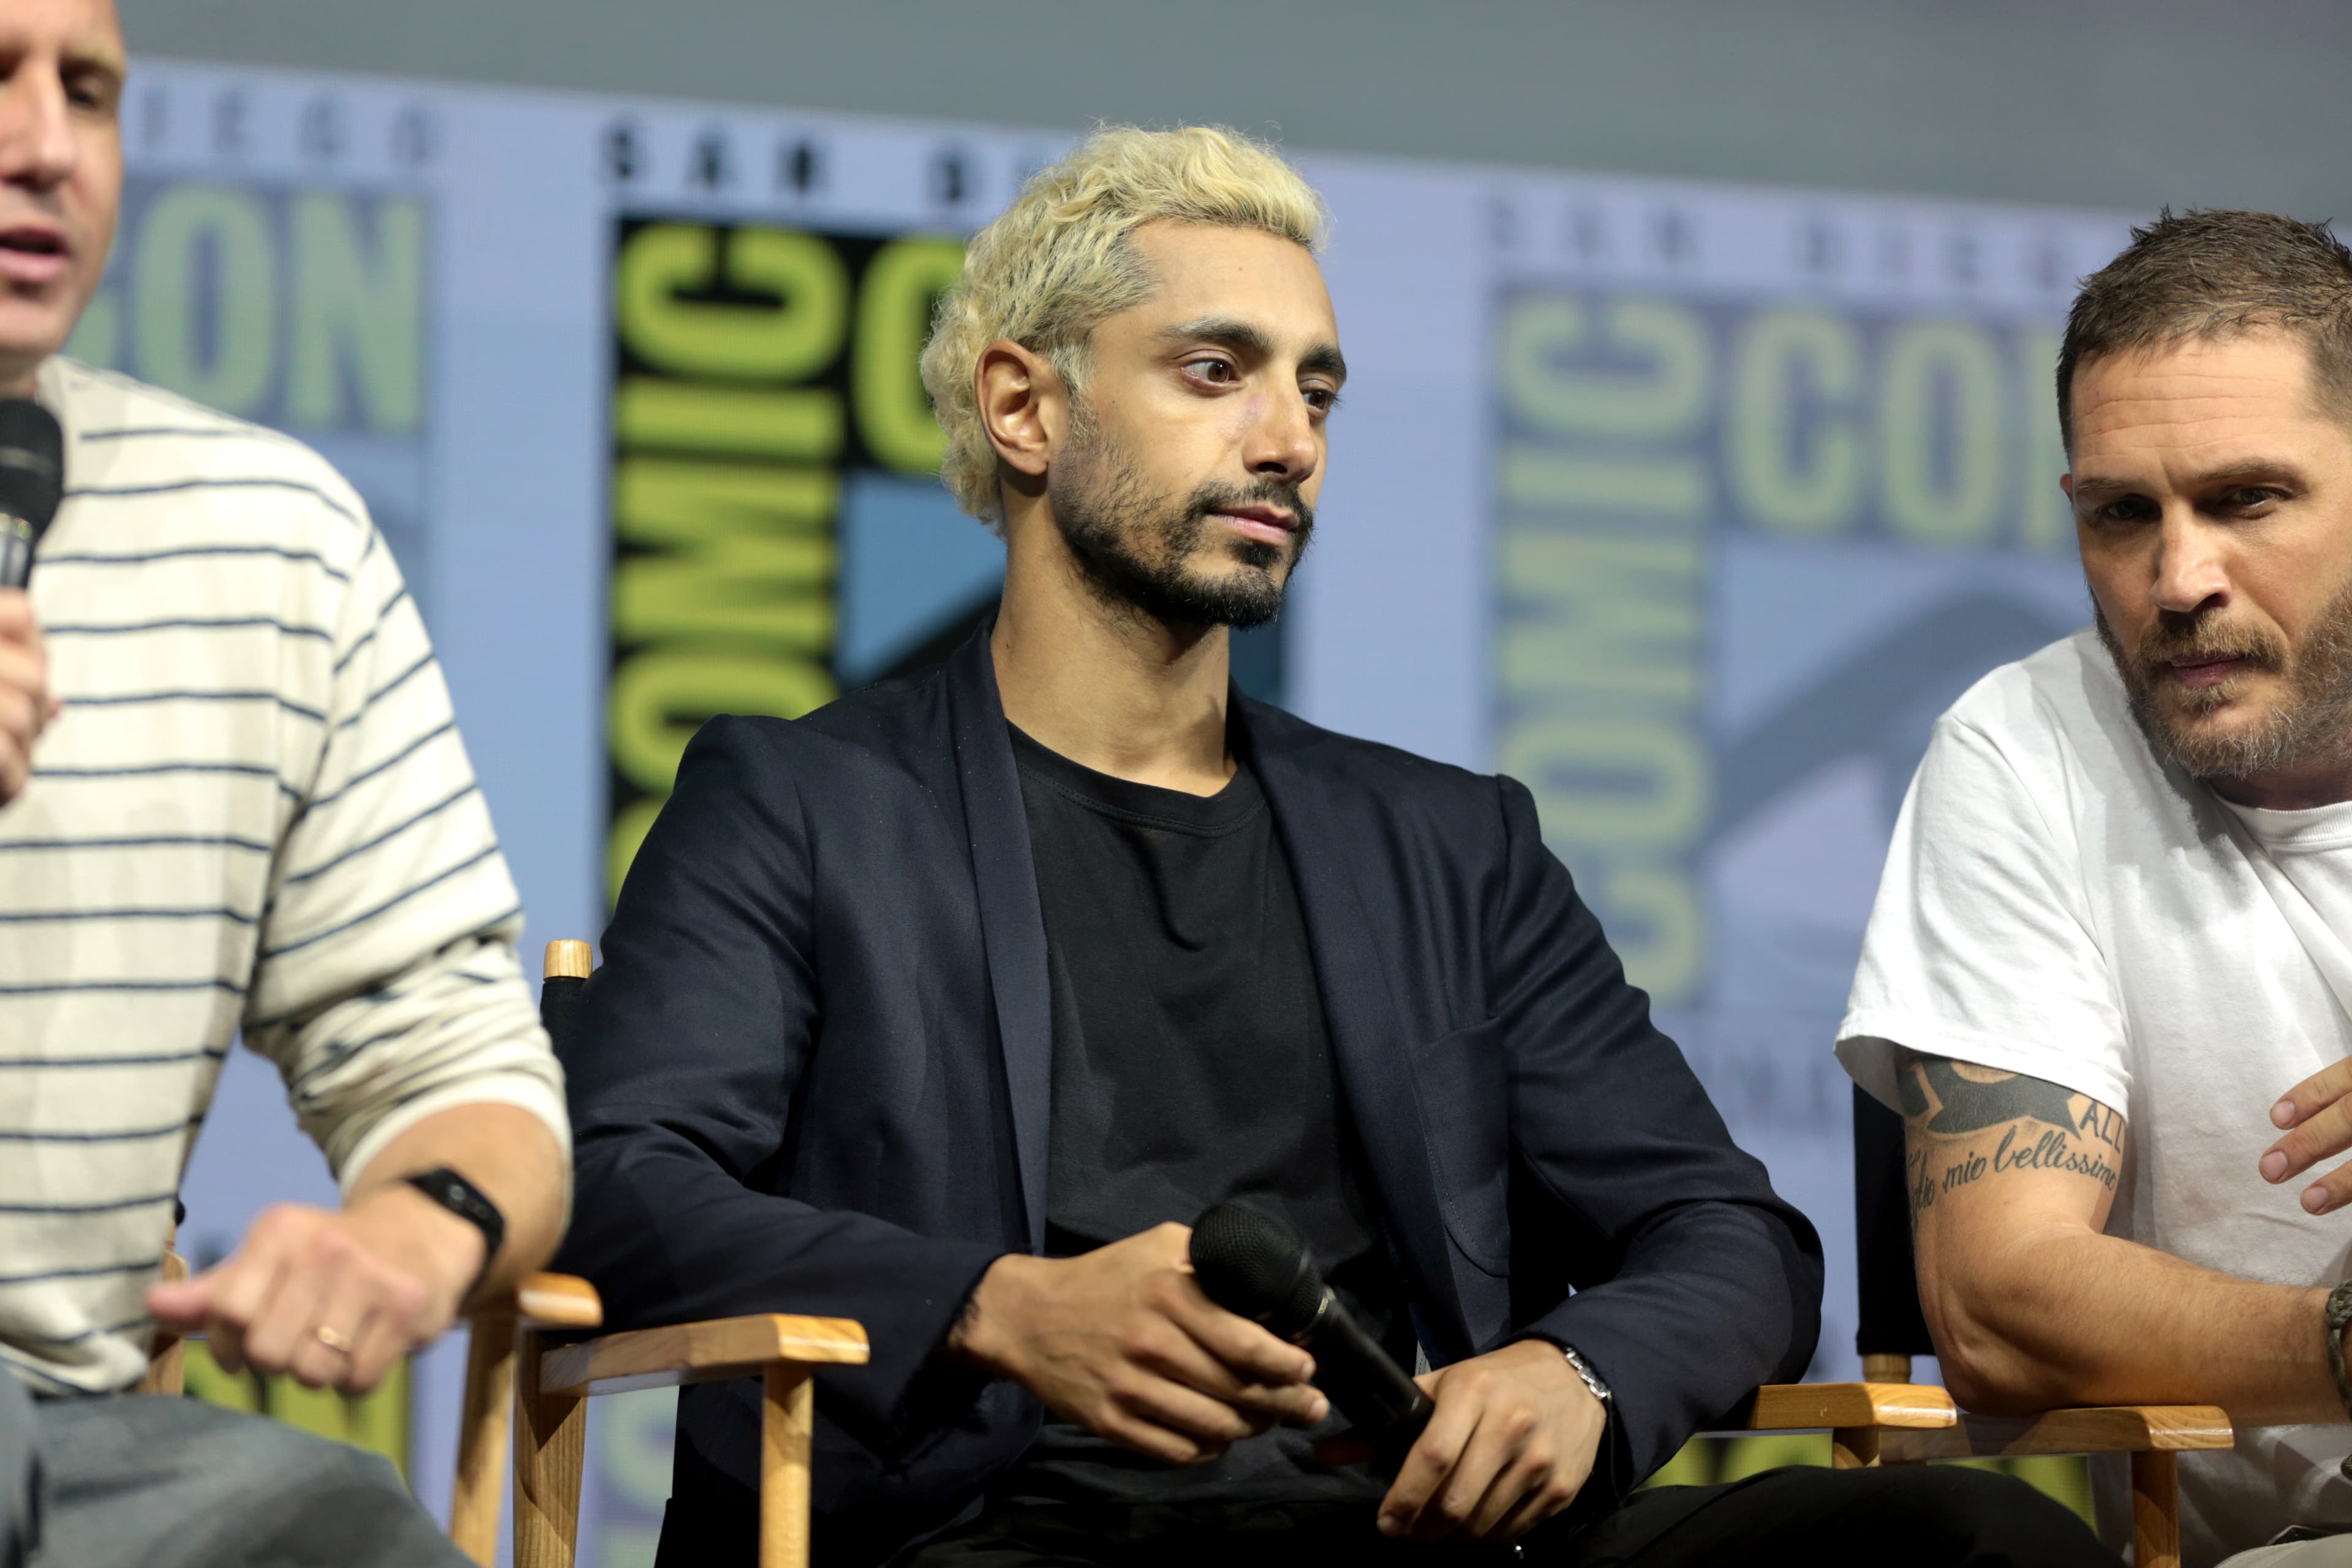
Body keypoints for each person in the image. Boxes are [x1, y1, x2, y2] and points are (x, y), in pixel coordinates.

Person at [557, 125, 2109, 1567]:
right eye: (1216, 370)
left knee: (1974, 1540)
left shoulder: (1443, 844)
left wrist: (1577, 1368)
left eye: (1316, 389)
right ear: (1024, 406)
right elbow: (614, 1181)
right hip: (992, 1530)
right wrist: (995, 1306)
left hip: (1400, 1530)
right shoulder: (804, 801)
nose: (1288, 438)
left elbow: (1729, 1232)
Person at [0, 2, 571, 1564]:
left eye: (89, 90)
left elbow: (454, 1051)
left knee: (341, 1529)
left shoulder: (266, 543)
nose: (47, 146)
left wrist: (412, 1227)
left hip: (77, 1444)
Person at [1836, 208, 2352, 1567]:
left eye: (2247, 499)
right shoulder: (2025, 750)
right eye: (2125, 514)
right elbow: (2002, 1303)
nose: (2179, 580)